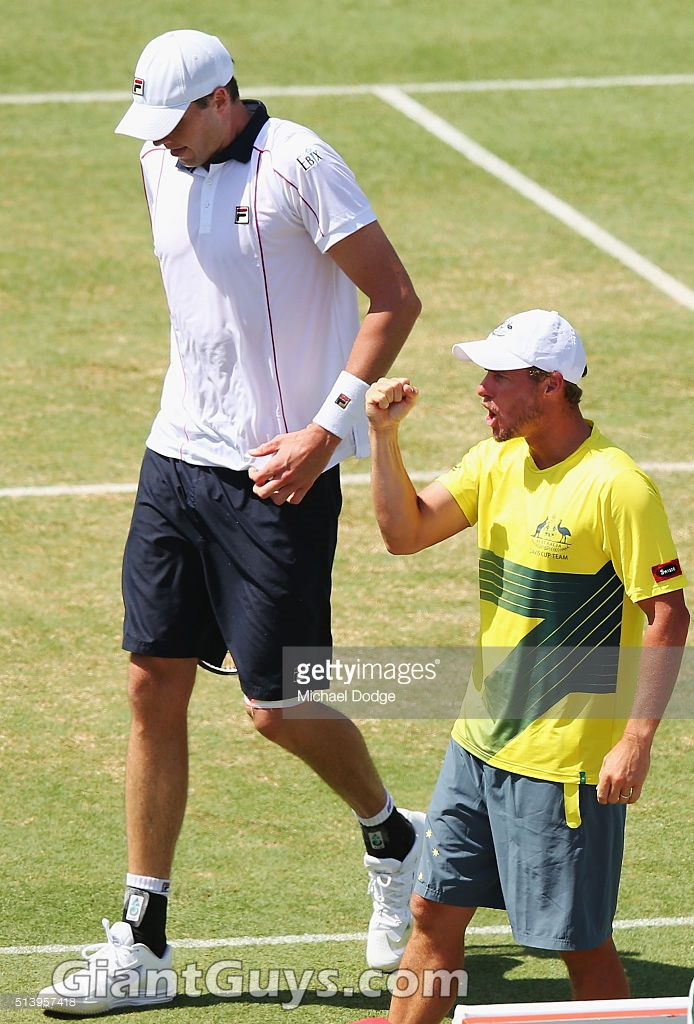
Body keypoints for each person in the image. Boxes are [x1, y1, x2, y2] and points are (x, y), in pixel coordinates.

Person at [39, 28, 423, 1014]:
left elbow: (392, 296)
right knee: (149, 682)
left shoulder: (300, 163)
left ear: (220, 100)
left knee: (275, 705)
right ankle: (143, 937)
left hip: (278, 477)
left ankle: (393, 837)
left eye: (172, 120)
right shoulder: (157, 162)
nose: (158, 140)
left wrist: (321, 433)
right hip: (176, 459)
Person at [365, 309, 690, 1024]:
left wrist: (635, 740)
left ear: (548, 387)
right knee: (431, 911)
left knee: (578, 946)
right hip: (476, 744)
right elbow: (404, 531)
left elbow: (667, 614)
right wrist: (383, 439)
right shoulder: (496, 462)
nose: (482, 388)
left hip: (563, 766)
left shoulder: (617, 486)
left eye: (499, 377)